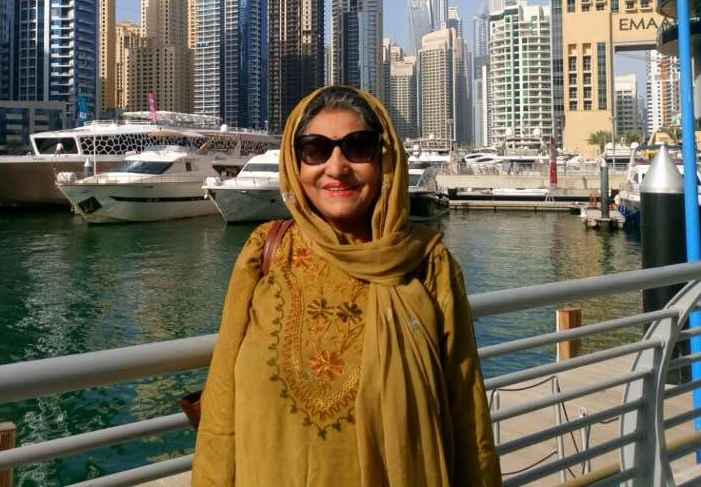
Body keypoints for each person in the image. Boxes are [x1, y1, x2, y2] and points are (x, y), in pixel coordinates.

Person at [192, 86, 501, 486]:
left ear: (384, 159)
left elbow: (467, 411)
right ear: (295, 163)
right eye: (315, 150)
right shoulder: (265, 253)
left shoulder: (428, 264)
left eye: (358, 147)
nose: (336, 167)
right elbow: (221, 401)